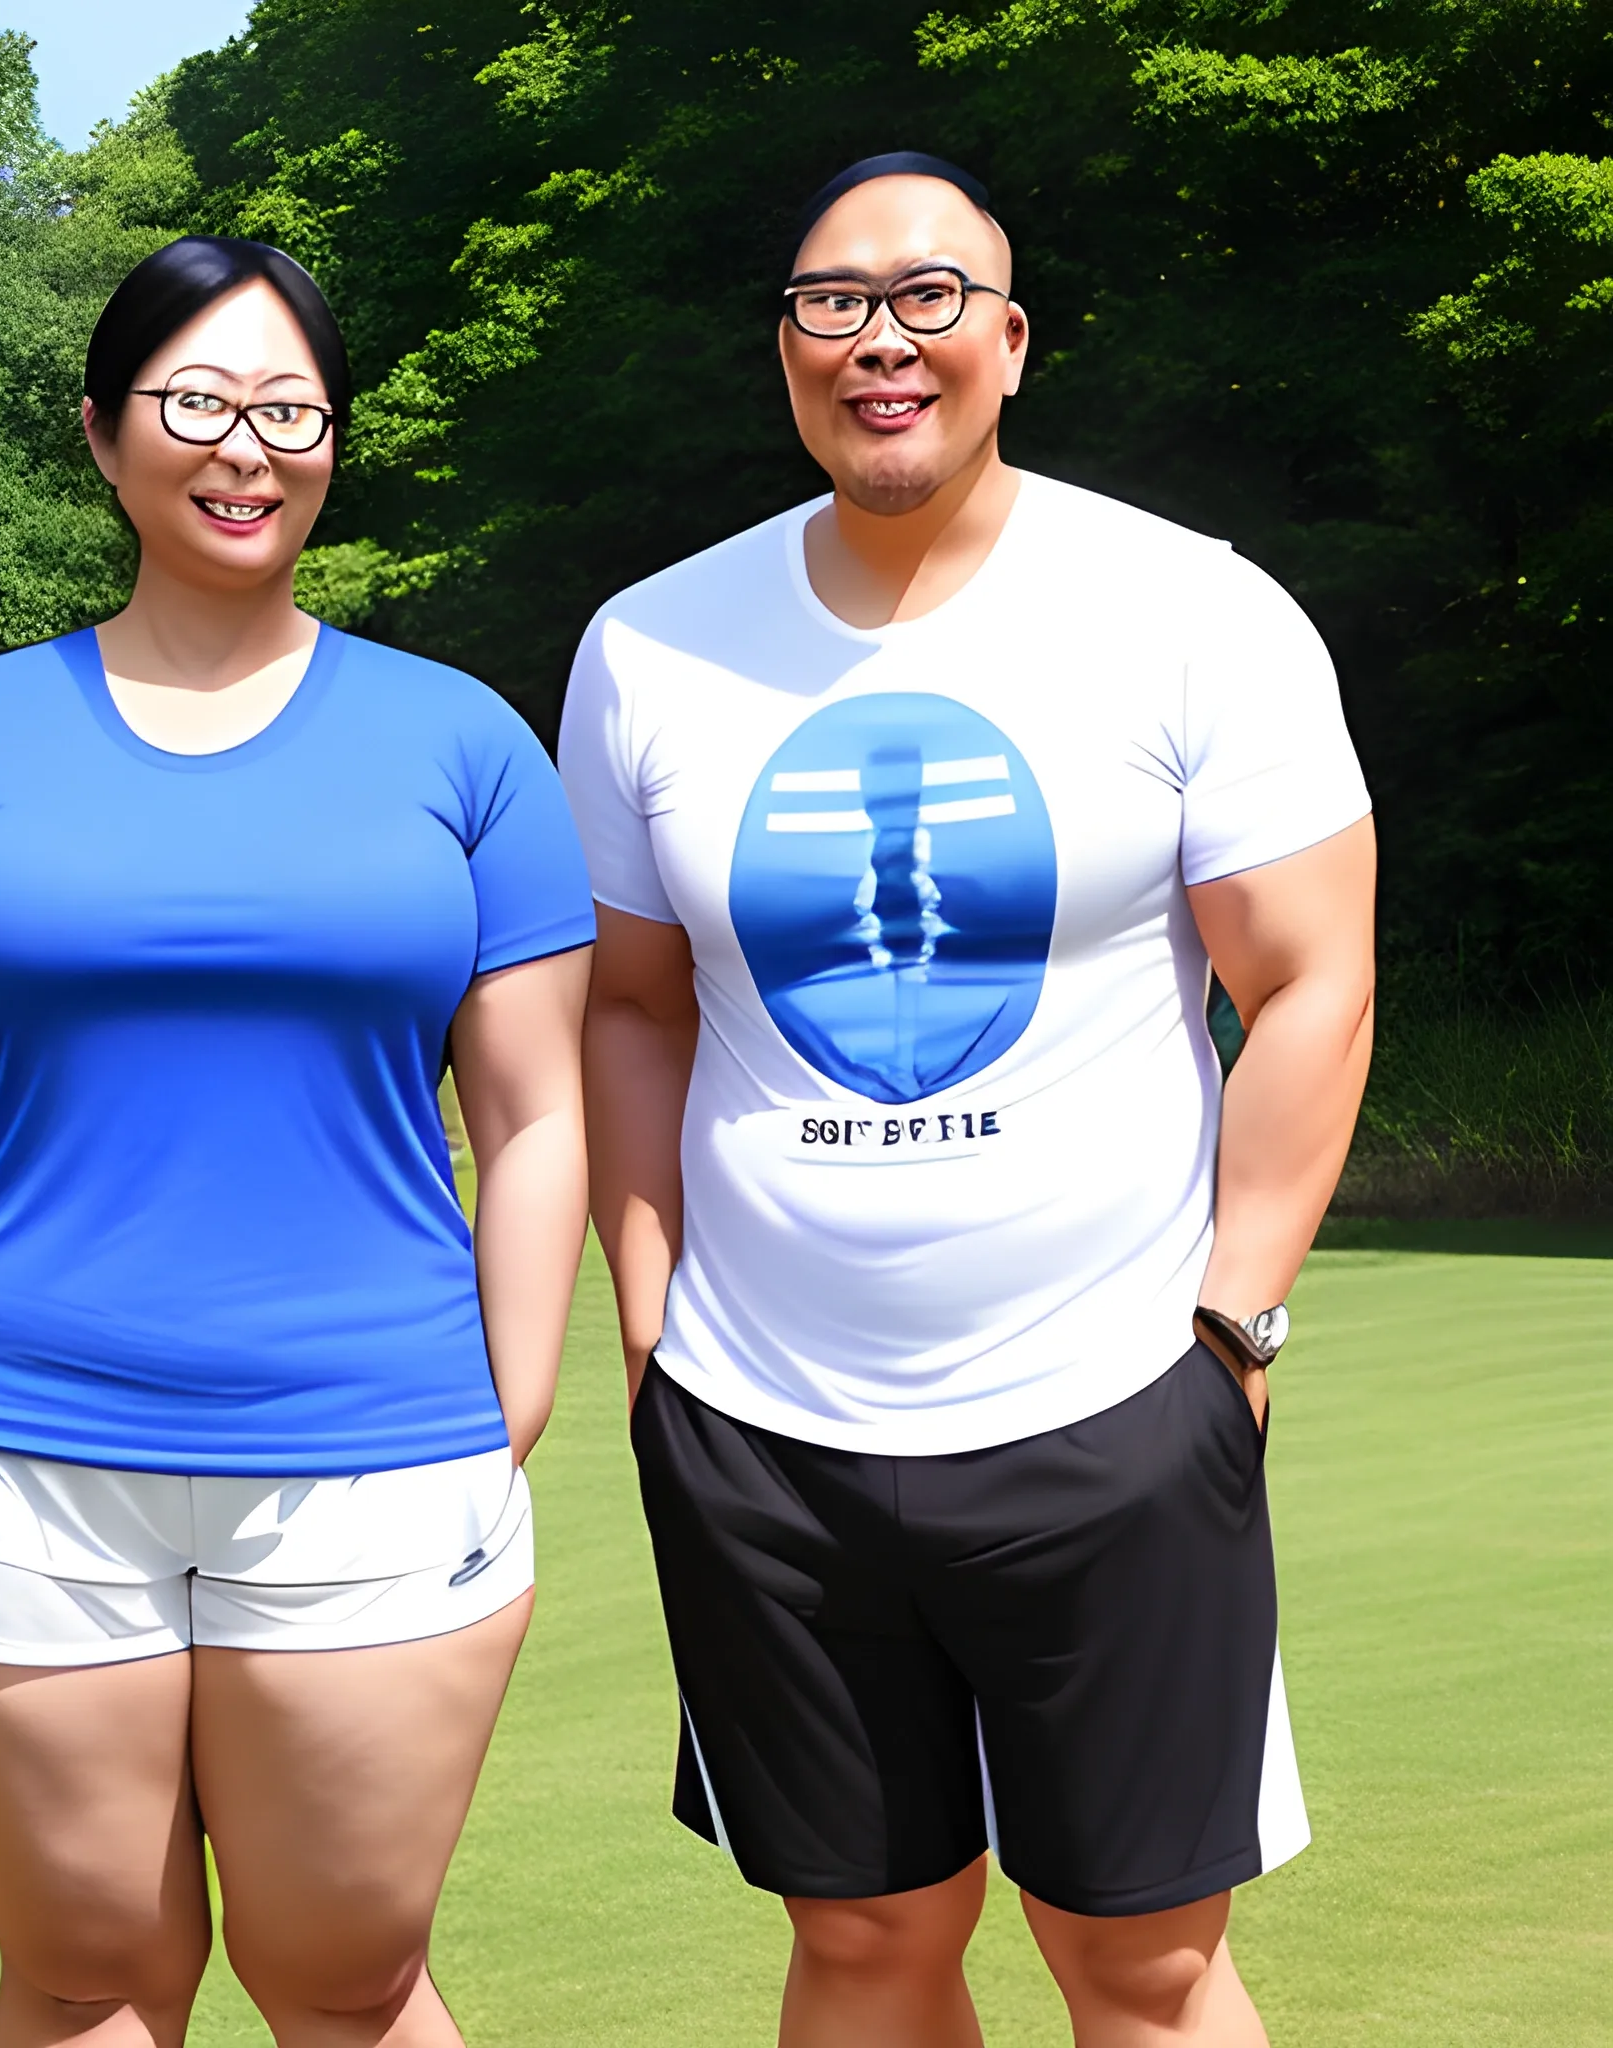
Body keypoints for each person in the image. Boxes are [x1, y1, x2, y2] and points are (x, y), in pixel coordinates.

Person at [560, 152, 1375, 2045]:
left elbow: (1310, 977)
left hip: (1116, 1405)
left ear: (1010, 341)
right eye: (833, 303)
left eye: (931, 298)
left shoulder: (1191, 607)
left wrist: (1232, 1330)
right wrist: (651, 1331)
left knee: (1146, 1965)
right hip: (762, 1433)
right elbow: (633, 1007)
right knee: (860, 1945)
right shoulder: (648, 646)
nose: (881, 341)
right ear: (786, 349)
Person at [0, 236, 594, 2048]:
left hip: (378, 1456)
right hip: (10, 1462)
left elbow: (537, 1111)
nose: (248, 448)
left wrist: (508, 1408)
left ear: (331, 440)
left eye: (290, 409)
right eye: (199, 402)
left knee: (346, 1986)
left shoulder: (461, 743)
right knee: (89, 1982)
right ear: (104, 435)